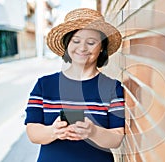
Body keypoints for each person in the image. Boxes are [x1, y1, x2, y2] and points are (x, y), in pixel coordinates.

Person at [24, 8, 125, 162]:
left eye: (91, 42)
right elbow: (32, 132)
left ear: (102, 47)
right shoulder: (44, 85)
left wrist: (93, 132)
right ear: (67, 44)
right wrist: (54, 131)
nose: (82, 48)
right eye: (76, 41)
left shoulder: (113, 88)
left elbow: (116, 138)